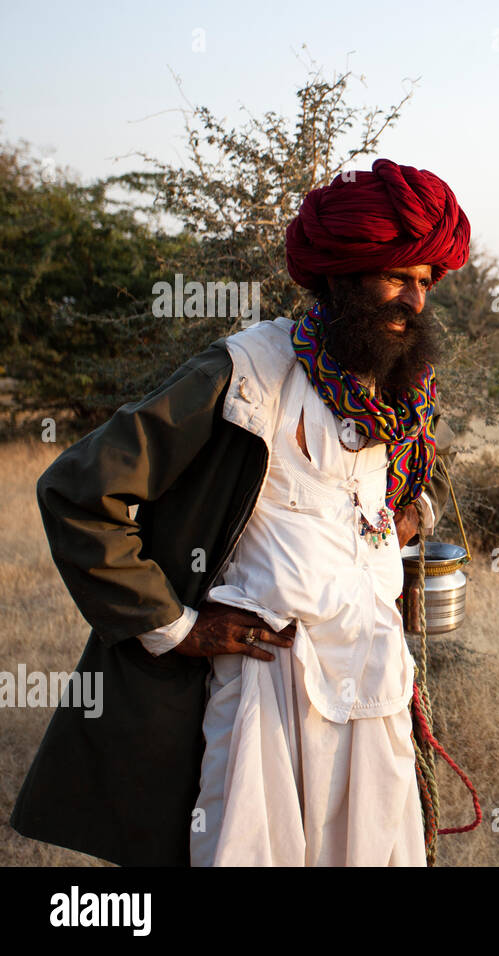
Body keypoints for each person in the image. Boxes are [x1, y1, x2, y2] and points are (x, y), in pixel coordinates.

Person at [10, 158, 470, 866]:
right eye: (396, 276)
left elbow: (402, 487)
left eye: (424, 283)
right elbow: (79, 492)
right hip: (266, 693)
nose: (413, 299)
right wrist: (179, 628)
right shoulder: (244, 374)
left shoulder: (400, 392)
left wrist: (406, 524)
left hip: (376, 682)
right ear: (343, 276)